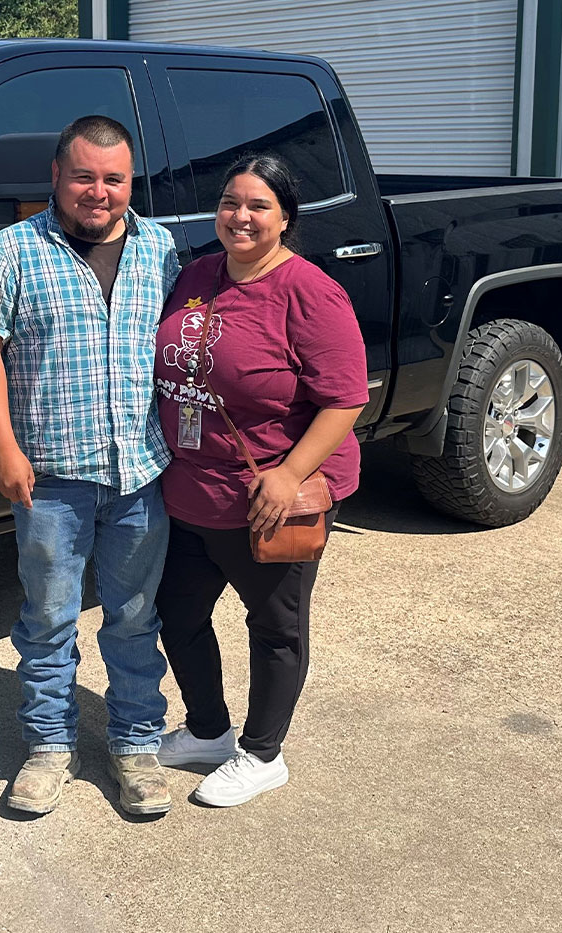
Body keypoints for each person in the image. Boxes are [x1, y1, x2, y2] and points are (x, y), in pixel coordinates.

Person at [0, 115, 182, 816]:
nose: (99, 191)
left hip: (141, 472)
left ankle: (136, 742)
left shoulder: (161, 249)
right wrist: (2, 445)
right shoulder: (14, 250)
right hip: (49, 476)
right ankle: (50, 745)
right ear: (56, 176)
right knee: (48, 616)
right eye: (84, 176)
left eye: (113, 178)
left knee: (136, 615)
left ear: (129, 181)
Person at [151, 153, 368, 807]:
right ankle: (210, 730)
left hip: (267, 501)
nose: (239, 216)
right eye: (229, 202)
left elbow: (345, 399)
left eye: (257, 206)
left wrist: (290, 474)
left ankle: (263, 752)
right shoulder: (196, 274)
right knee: (177, 614)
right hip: (188, 489)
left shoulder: (309, 292)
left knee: (275, 627)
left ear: (284, 218)